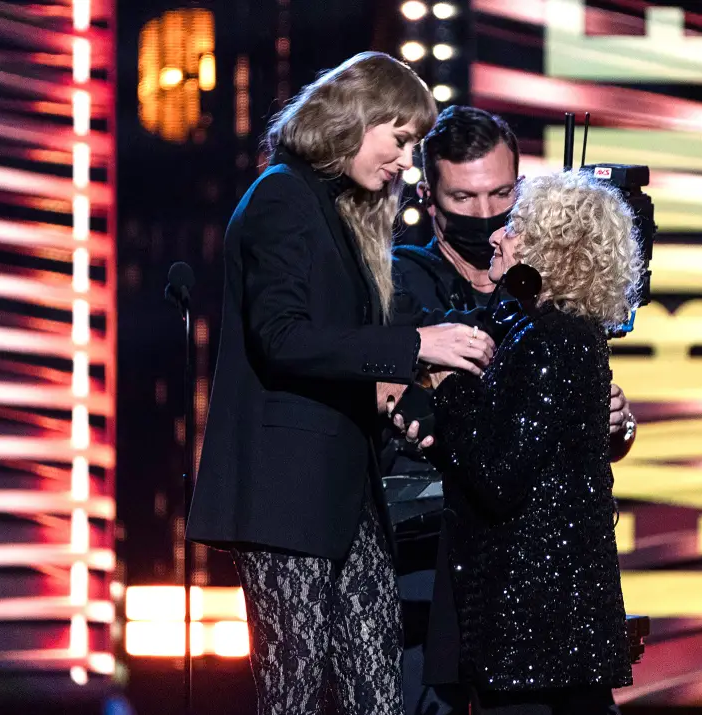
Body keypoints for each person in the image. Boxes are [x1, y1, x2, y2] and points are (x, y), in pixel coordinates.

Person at [185, 53, 495, 715]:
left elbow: (388, 324)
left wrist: (450, 346)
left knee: (377, 696)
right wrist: (413, 347)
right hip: (284, 496)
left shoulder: (342, 211)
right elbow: (283, 336)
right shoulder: (282, 196)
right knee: (292, 696)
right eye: (401, 140)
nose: (404, 163)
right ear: (358, 115)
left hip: (346, 496)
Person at [379, 106, 635, 714]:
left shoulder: (541, 316)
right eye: (464, 198)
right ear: (429, 196)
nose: (487, 217)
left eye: (502, 197)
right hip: (428, 552)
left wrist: (608, 419)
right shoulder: (402, 283)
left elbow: (516, 453)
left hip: (522, 583)